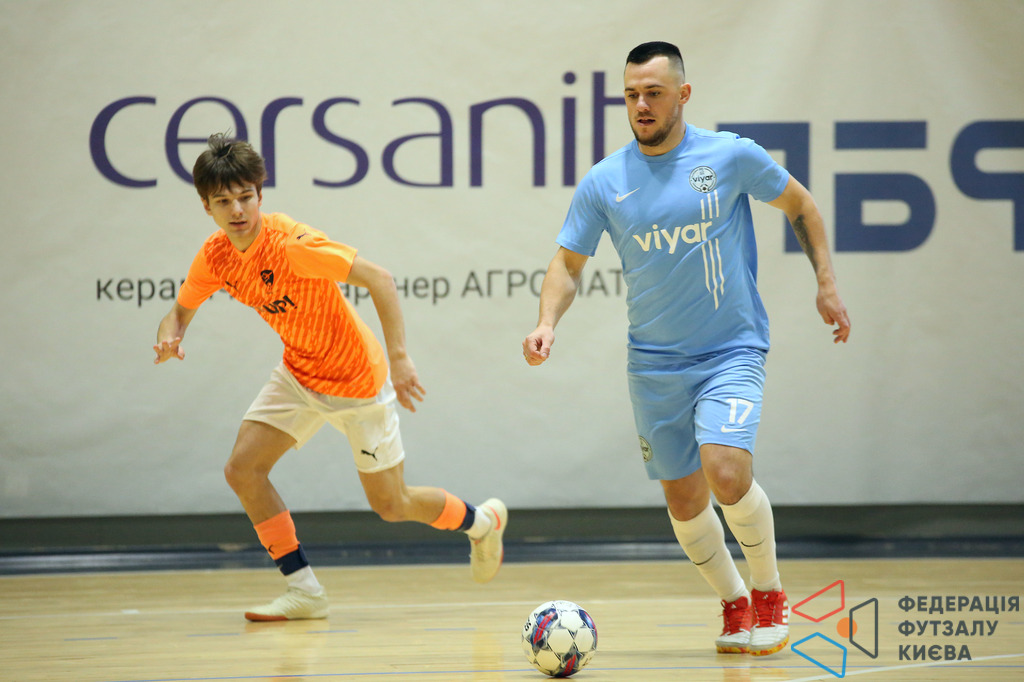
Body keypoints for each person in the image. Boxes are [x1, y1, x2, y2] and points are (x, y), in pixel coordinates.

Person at [522, 41, 850, 656]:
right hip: (653, 364)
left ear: (683, 94)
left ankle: (770, 592)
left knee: (725, 470)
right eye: (631, 95)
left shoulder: (729, 156)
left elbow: (800, 204)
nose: (641, 106)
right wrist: (547, 323)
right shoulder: (606, 180)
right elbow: (567, 263)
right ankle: (734, 602)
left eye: (653, 93)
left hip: (730, 349)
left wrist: (826, 285)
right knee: (683, 497)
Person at [154, 133, 507, 622]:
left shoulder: (291, 244)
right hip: (299, 373)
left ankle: (482, 523)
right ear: (206, 206)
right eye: (223, 201)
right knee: (242, 470)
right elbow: (178, 312)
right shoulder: (216, 256)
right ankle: (304, 591)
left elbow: (380, 278)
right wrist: (170, 336)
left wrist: (400, 358)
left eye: (245, 197)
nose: (237, 210)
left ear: (260, 194)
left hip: (357, 381)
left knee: (392, 505)